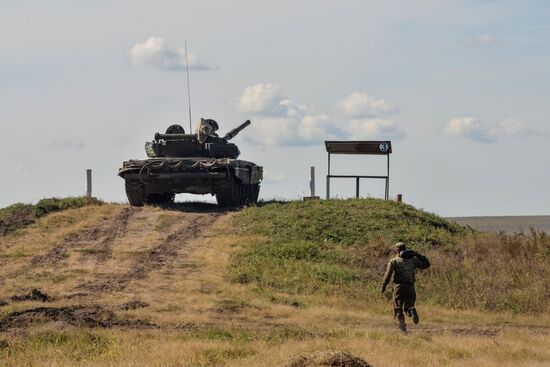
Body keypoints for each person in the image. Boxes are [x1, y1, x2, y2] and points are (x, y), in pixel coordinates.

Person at [380, 242, 430, 331]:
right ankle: (411, 309)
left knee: (398, 308)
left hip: (399, 287)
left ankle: (401, 327)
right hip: (410, 287)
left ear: (397, 250)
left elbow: (388, 275)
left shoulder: (394, 261)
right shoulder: (413, 260)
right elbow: (426, 265)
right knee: (408, 306)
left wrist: (383, 286)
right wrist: (417, 254)